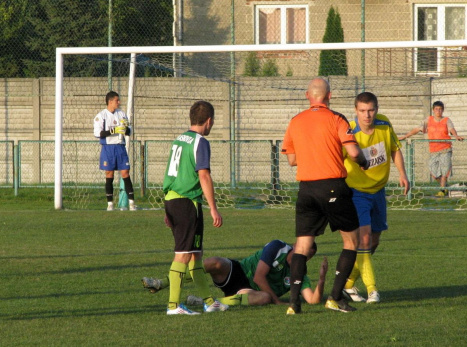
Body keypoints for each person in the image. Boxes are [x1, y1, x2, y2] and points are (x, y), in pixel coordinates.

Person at [281, 78, 369, 314]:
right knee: (352, 242)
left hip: (306, 190)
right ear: (329, 96)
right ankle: (335, 297)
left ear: (307, 95)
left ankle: (293, 304)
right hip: (332, 187)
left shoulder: (295, 121)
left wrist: (313, 152)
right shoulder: (336, 119)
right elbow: (353, 152)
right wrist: (364, 161)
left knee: (301, 246)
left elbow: (291, 160)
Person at [342, 92, 410, 304]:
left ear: (377, 109)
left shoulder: (384, 124)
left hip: (378, 192)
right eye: (362, 111)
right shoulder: (349, 132)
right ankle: (372, 290)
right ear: (356, 111)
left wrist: (402, 174)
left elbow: (394, 150)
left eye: (370, 110)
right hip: (356, 193)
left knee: (373, 241)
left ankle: (347, 284)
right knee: (363, 239)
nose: (367, 115)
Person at [161, 100, 225, 315]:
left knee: (195, 253)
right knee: (183, 255)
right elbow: (204, 175)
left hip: (173, 199)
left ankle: (209, 302)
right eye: (212, 122)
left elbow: (171, 174)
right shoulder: (200, 142)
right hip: (187, 201)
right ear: (209, 121)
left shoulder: (179, 139)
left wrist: (167, 208)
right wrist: (213, 208)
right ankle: (173, 306)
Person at [142, 240, 328, 307]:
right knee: (214, 262)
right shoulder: (277, 246)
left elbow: (312, 300)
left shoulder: (299, 272)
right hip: (240, 272)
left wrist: (321, 279)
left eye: (307, 257)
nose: (303, 258)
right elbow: (258, 277)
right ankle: (163, 283)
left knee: (263, 298)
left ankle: (206, 303)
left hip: (250, 293)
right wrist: (278, 300)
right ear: (296, 245)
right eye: (302, 253)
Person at [399, 101, 464, 197]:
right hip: (433, 150)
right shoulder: (428, 120)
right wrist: (405, 136)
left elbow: (451, 129)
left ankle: (442, 191)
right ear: (433, 110)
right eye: (436, 109)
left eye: (440, 109)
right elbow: (417, 129)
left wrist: (456, 135)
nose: (438, 111)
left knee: (444, 171)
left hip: (445, 148)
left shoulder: (446, 120)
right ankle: (445, 187)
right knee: (433, 170)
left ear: (443, 110)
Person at [93, 91, 136, 211]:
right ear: (110, 101)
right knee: (109, 174)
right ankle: (110, 204)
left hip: (120, 147)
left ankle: (132, 203)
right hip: (108, 148)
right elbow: (97, 133)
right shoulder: (101, 116)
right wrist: (114, 130)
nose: (119, 102)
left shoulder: (121, 114)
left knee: (125, 173)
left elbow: (129, 131)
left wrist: (125, 129)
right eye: (117, 100)